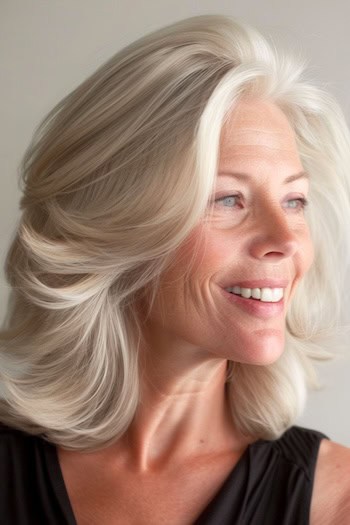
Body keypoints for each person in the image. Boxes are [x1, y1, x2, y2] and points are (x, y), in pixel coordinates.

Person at [0, 14, 350, 525]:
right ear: (121, 223)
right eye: (229, 198)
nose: (284, 240)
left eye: (294, 200)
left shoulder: (336, 503)